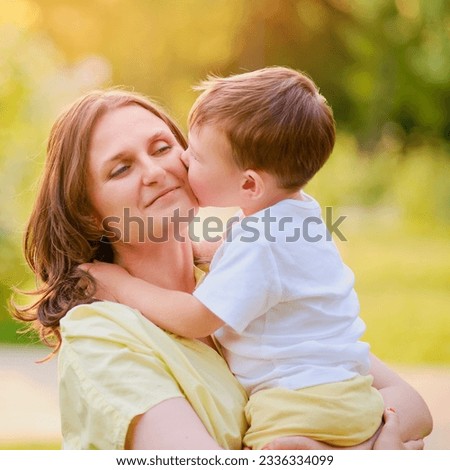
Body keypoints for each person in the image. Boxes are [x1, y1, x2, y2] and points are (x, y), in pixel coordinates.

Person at [12, 88, 432, 450]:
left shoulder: (236, 279)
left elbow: (410, 404)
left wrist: (374, 446)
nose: (156, 172)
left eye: (162, 148)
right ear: (87, 214)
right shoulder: (101, 334)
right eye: (121, 168)